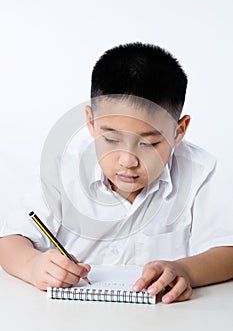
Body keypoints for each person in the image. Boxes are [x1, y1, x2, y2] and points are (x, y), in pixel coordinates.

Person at [1, 42, 233, 304]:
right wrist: (33, 265)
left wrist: (185, 270)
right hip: (72, 319)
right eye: (111, 140)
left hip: (163, 321)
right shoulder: (62, 168)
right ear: (91, 122)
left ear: (179, 131)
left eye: (148, 143)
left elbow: (227, 249)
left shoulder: (200, 173)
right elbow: (10, 241)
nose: (127, 161)